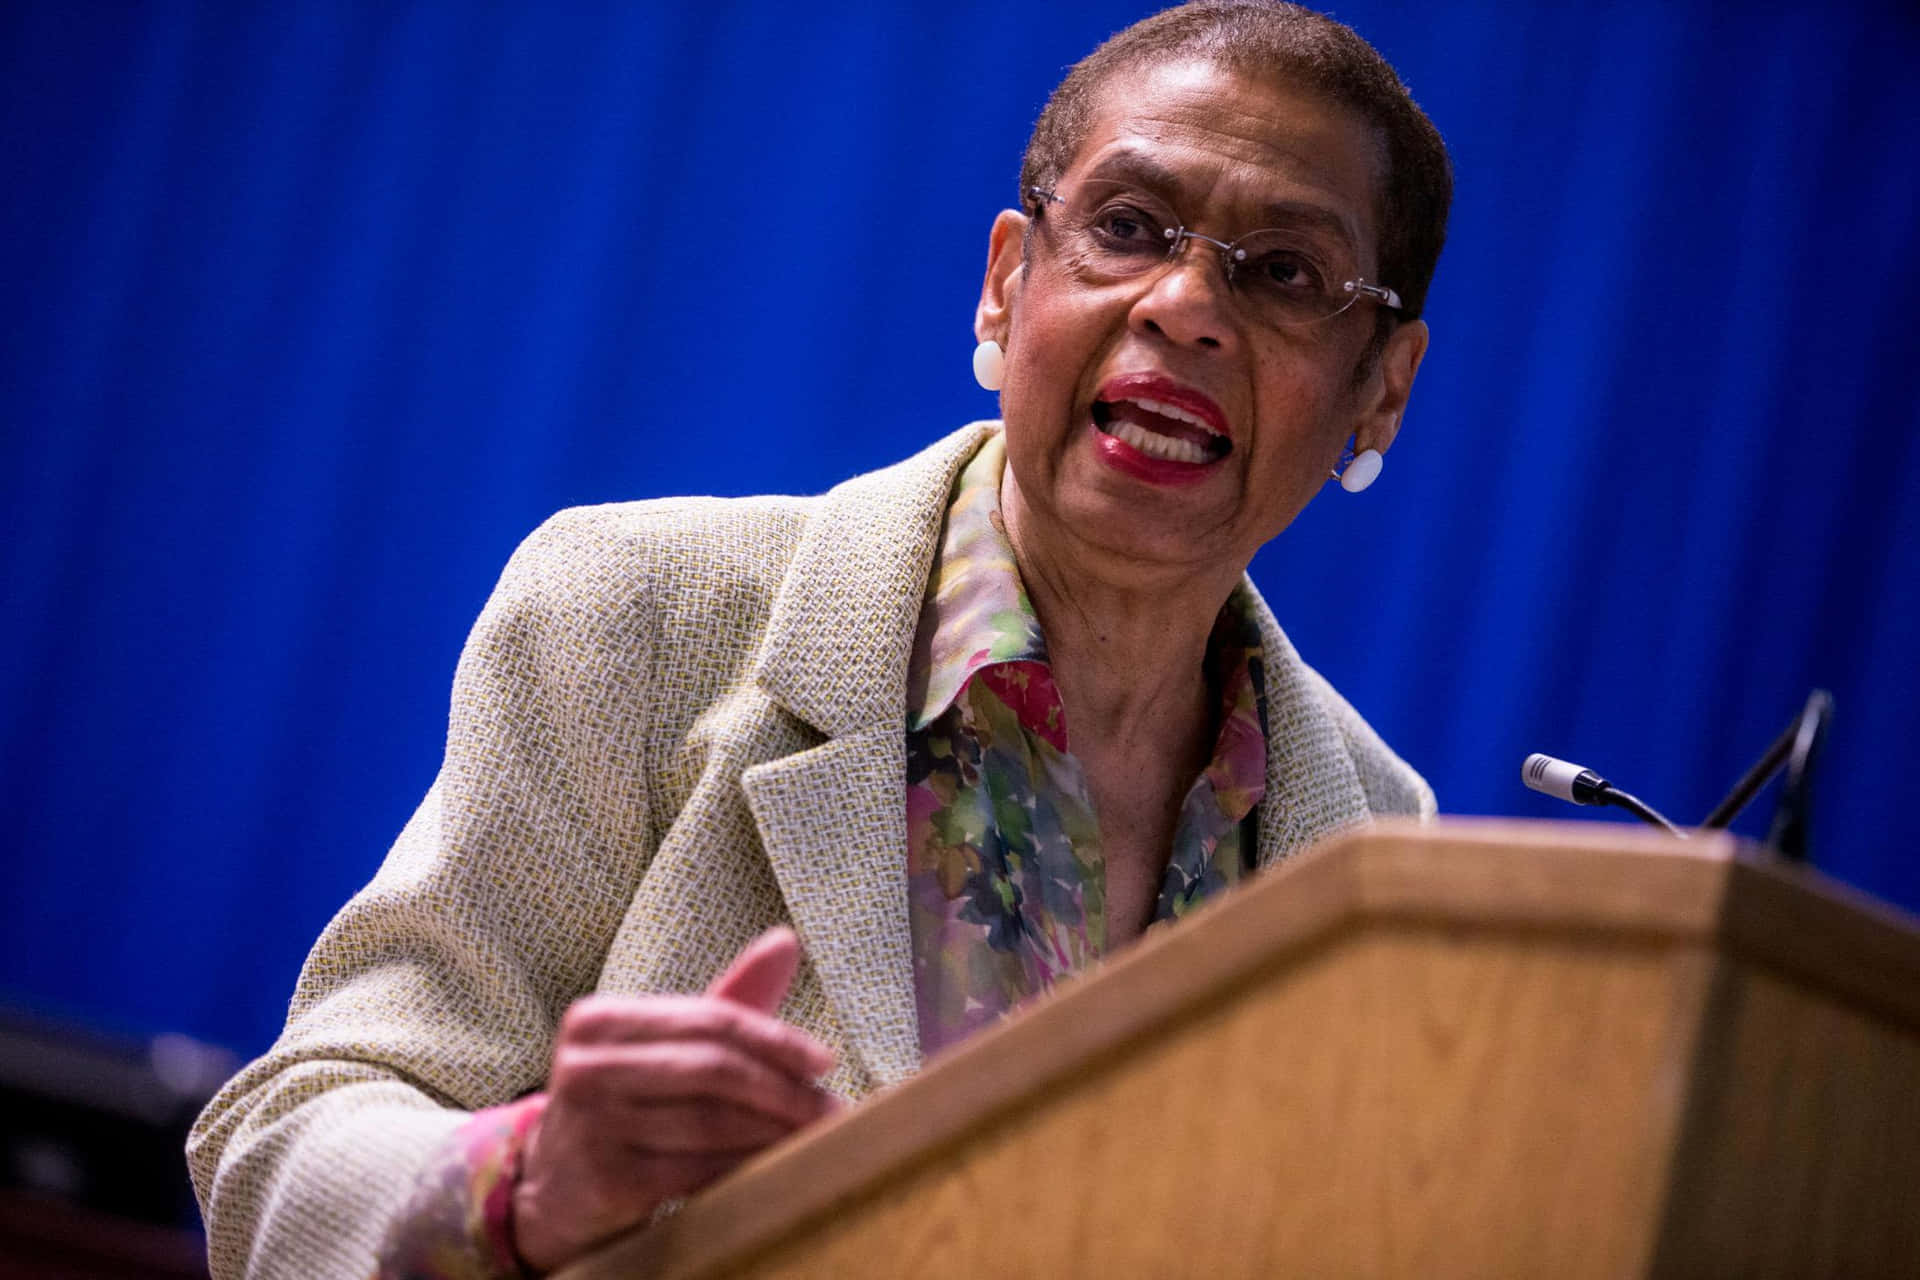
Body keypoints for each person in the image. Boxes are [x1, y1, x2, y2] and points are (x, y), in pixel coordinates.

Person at [188, 2, 1451, 1275]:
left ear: (1379, 388)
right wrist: (521, 1183)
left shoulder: (1377, 845)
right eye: (1128, 228)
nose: (1183, 305)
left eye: (1283, 270)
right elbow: (283, 1143)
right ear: (1009, 282)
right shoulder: (639, 613)